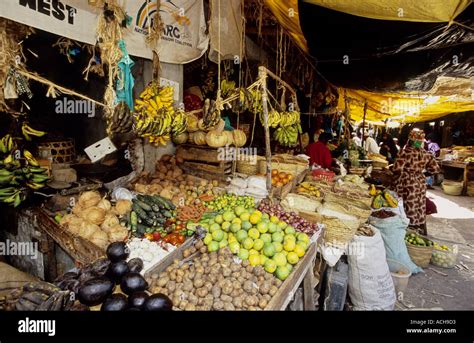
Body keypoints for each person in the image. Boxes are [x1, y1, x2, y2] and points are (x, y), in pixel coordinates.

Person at [391, 129, 441, 235]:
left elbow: (397, 169)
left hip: (406, 182)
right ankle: (416, 225)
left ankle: (406, 225)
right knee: (418, 203)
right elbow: (435, 169)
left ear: (410, 140)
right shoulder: (426, 154)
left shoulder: (404, 152)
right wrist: (421, 174)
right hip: (420, 183)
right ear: (421, 141)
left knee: (406, 204)